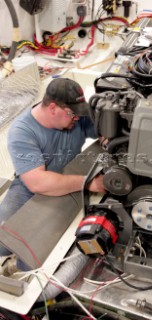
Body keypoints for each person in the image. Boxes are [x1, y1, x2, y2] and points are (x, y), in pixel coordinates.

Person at [0, 77, 105, 262]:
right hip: (30, 187)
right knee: (3, 242)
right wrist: (88, 183)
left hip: (67, 176)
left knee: (49, 251)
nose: (78, 118)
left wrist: (107, 136)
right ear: (53, 108)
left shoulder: (75, 117)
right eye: (73, 114)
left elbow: (103, 131)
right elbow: (37, 182)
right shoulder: (22, 132)